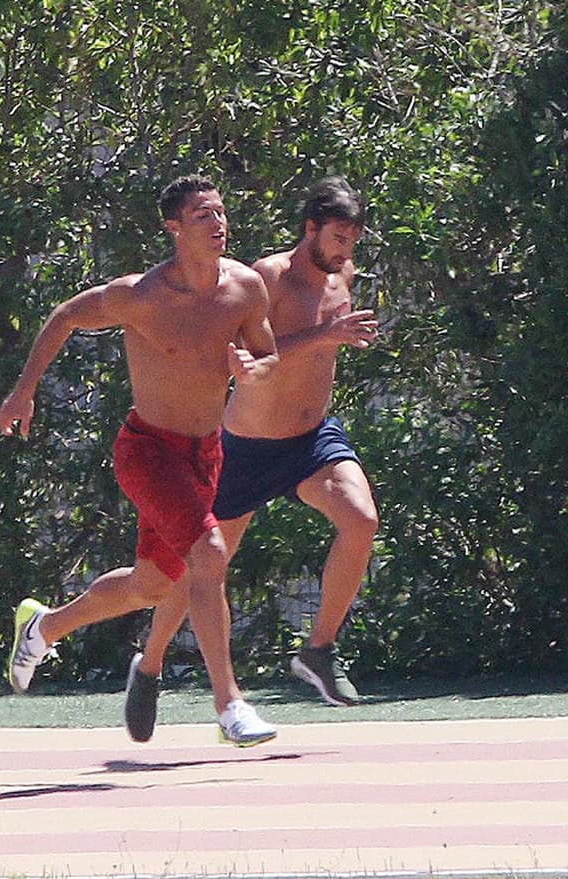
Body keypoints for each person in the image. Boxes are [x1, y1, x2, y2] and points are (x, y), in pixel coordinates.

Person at [0, 174, 282, 746]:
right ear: (174, 228)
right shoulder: (142, 296)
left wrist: (256, 371)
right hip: (147, 451)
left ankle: (45, 625)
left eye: (220, 212)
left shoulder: (246, 288)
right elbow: (64, 317)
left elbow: (268, 352)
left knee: (153, 585)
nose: (218, 223)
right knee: (210, 553)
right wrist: (24, 390)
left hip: (206, 454)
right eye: (203, 215)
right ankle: (230, 706)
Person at [133, 176, 379, 739]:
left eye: (353, 241)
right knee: (196, 567)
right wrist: (324, 337)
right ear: (310, 229)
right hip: (245, 447)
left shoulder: (343, 278)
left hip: (311, 441)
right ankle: (148, 667)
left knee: (362, 519)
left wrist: (336, 334)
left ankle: (317, 651)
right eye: (338, 237)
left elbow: (329, 337)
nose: (346, 252)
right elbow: (243, 357)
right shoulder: (265, 279)